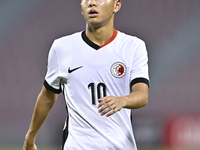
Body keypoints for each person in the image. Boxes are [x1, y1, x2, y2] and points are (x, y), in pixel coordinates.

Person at [23, 0, 149, 149]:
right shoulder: (62, 48)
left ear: (117, 5)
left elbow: (142, 95)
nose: (92, 3)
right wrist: (30, 137)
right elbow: (47, 96)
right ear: (81, 7)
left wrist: (122, 100)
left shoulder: (133, 46)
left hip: (119, 146)